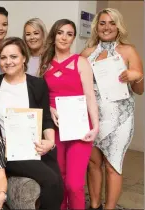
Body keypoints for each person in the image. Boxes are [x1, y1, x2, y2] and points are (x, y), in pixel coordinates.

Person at [0, 37, 63, 210]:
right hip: (7, 151)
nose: (8, 62)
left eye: (13, 57)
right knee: (51, 180)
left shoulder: (38, 84)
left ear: (24, 58)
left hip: (36, 147)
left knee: (57, 184)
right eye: (3, 58)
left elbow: (46, 118)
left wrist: (49, 141)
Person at [81, 8, 144, 210]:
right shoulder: (87, 53)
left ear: (118, 26)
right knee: (93, 164)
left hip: (119, 119)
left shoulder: (128, 51)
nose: (107, 27)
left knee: (112, 165)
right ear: (96, 26)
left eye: (112, 23)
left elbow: (140, 90)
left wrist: (137, 77)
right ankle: (95, 205)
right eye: (102, 23)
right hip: (92, 117)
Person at [39, 19, 99, 210]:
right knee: (59, 180)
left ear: (73, 38)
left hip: (79, 127)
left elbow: (90, 95)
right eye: (60, 33)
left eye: (69, 34)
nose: (64, 37)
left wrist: (95, 126)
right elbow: (41, 96)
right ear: (54, 36)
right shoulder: (45, 64)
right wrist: (49, 108)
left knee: (74, 184)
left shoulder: (81, 62)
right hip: (54, 129)